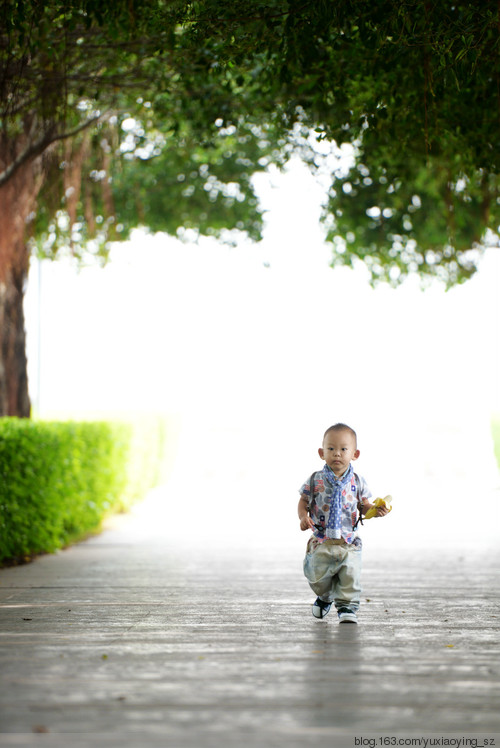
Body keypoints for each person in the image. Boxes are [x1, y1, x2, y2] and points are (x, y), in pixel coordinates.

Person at [297, 423, 389, 624]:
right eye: (331, 449)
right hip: (322, 541)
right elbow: (303, 501)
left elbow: (364, 505)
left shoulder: (357, 481)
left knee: (350, 577)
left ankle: (347, 607)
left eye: (343, 449)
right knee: (318, 578)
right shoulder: (315, 480)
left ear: (354, 454)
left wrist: (374, 510)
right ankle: (324, 596)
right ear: (322, 453)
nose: (337, 454)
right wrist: (303, 517)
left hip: (348, 542)